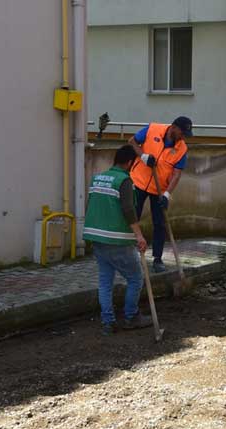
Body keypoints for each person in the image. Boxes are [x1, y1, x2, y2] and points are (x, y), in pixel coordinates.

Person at [84, 144, 152, 336]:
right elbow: (128, 209)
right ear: (130, 162)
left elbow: (93, 205)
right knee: (135, 278)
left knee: (105, 281)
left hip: (96, 238)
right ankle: (131, 316)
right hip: (117, 240)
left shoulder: (97, 178)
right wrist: (139, 235)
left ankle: (108, 322)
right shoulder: (124, 181)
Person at [127, 116, 193, 273]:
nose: (183, 137)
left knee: (160, 224)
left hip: (159, 189)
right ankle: (128, 255)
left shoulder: (182, 148)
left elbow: (177, 174)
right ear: (174, 128)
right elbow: (132, 141)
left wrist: (167, 194)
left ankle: (157, 259)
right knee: (132, 217)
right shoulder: (152, 129)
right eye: (182, 133)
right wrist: (143, 156)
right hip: (139, 182)